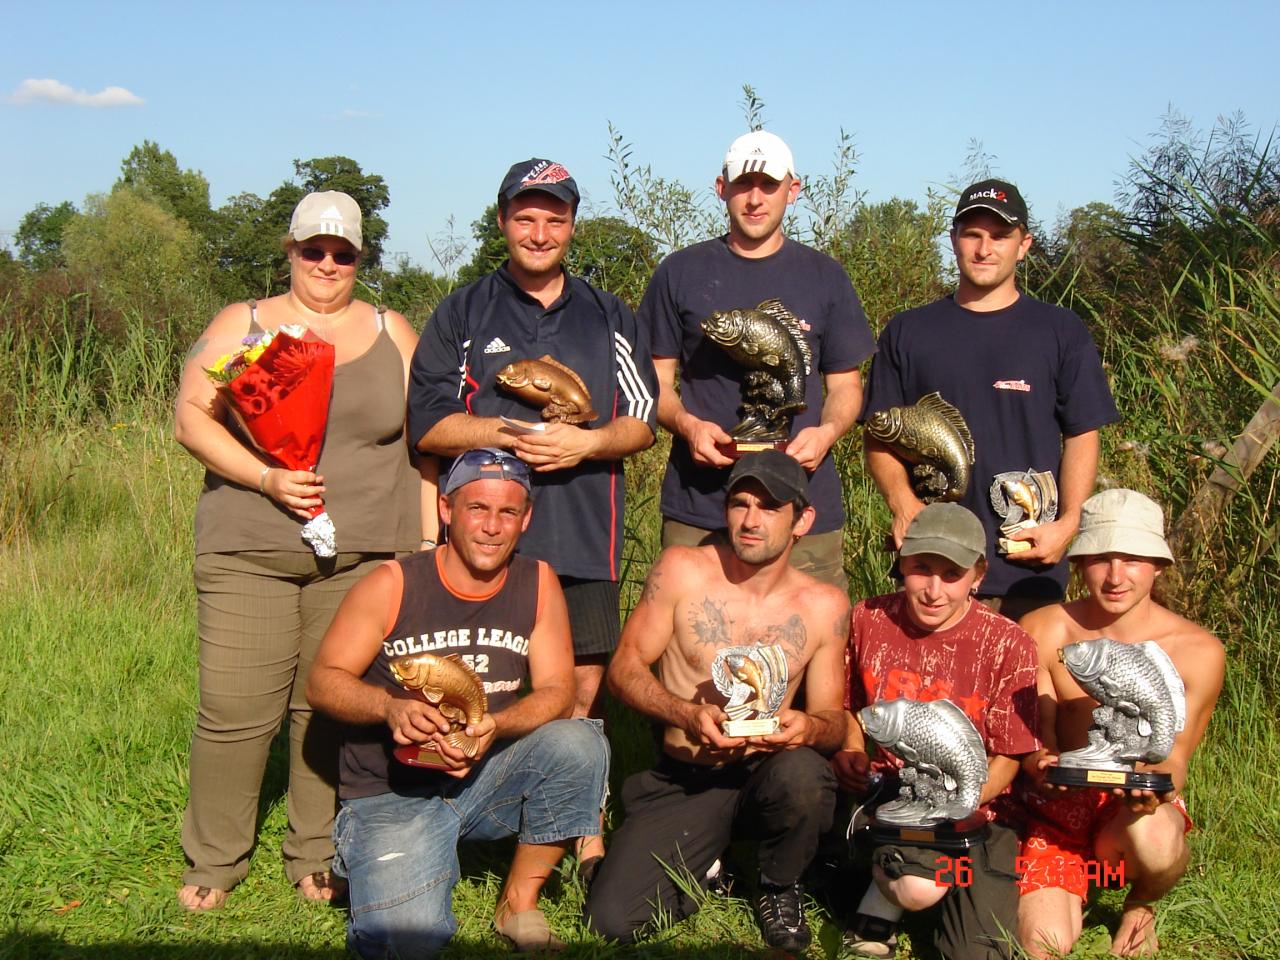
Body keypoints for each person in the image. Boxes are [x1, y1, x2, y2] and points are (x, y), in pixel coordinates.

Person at [172, 191, 433, 910]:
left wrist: (427, 542)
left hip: (361, 557)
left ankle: (315, 849)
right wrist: (265, 475)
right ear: (289, 250)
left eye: (342, 252)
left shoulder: (392, 331)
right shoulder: (242, 323)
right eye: (313, 249)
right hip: (248, 547)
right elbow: (192, 417)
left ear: (359, 259)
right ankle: (216, 857)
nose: (327, 263)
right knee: (235, 708)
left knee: (331, 708)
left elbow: (427, 442)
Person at [307, 449, 609, 958]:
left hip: (483, 773)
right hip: (392, 793)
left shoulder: (538, 582)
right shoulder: (393, 583)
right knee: (404, 942)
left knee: (580, 742)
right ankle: (364, 850)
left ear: (526, 518)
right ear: (446, 510)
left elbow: (559, 690)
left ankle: (518, 902)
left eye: (507, 512)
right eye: (477, 509)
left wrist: (497, 723)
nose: (492, 526)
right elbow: (322, 682)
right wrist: (390, 708)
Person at [409, 157, 658, 723]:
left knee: (577, 699)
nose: (540, 235)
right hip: (482, 536)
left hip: (583, 539)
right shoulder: (461, 311)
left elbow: (643, 420)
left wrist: (586, 444)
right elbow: (426, 422)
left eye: (555, 219)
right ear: (501, 221)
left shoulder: (610, 315)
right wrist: (511, 436)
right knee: (474, 690)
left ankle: (575, 811)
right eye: (526, 219)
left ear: (573, 225)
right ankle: (471, 805)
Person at [585, 450, 851, 952]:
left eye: (770, 508)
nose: (751, 520)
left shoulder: (824, 605)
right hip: (686, 777)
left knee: (806, 775)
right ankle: (709, 862)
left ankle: (779, 882)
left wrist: (806, 730)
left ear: (803, 520)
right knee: (612, 921)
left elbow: (832, 720)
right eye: (740, 503)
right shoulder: (682, 570)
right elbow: (624, 668)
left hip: (768, 771)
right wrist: (683, 712)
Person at [863, 179, 1118, 621]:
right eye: (973, 235)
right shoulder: (908, 331)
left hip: (1027, 567)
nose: (985, 249)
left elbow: (1083, 432)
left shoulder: (1060, 330)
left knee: (1026, 691)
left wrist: (1068, 524)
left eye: (1000, 236)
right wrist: (903, 504)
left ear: (1024, 245)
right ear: (953, 240)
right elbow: (879, 437)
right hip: (935, 570)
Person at [643, 130, 876, 591]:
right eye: (743, 184)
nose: (754, 199)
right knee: (688, 645)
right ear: (720, 187)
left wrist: (825, 433)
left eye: (768, 186)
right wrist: (688, 427)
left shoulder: (825, 276)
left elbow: (847, 388)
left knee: (808, 646)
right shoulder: (679, 272)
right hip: (702, 504)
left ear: (793, 190)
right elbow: (655, 382)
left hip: (800, 504)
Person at [1016, 489, 1224, 957]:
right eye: (1100, 558)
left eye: (1132, 559)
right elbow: (1037, 739)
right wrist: (1040, 764)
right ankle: (1067, 883)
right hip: (1058, 810)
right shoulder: (1043, 628)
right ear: (1078, 563)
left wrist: (1157, 785)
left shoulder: (1199, 650)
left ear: (1159, 566)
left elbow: (1176, 757)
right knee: (1042, 945)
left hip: (1131, 812)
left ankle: (1142, 900)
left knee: (1155, 837)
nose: (1115, 577)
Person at [833, 502, 1038, 960]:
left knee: (978, 954)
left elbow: (1010, 755)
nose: (933, 589)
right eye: (921, 568)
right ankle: (880, 900)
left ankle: (909, 887)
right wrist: (852, 748)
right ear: (901, 562)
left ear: (978, 575)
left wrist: (962, 799)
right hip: (894, 789)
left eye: (952, 574)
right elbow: (848, 704)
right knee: (917, 887)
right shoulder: (867, 618)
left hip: (984, 806)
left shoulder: (1009, 642)